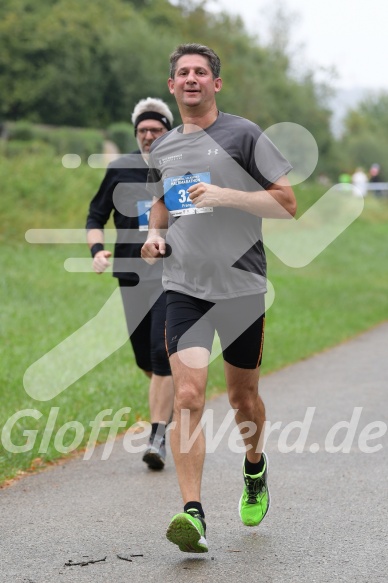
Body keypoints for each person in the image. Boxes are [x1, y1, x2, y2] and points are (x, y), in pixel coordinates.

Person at [141, 44, 296, 552]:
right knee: (187, 395)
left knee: (241, 398)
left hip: (242, 287)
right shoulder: (162, 148)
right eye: (183, 73)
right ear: (172, 85)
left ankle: (255, 467)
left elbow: (286, 204)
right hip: (183, 285)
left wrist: (227, 196)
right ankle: (194, 514)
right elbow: (163, 206)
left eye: (200, 72)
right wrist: (155, 235)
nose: (191, 79)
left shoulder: (245, 134)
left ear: (215, 84)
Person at [86, 97, 175, 471]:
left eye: (156, 130)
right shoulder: (120, 168)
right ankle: (168, 402)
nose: (149, 136)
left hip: (172, 275)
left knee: (160, 353)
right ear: (136, 133)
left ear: (167, 131)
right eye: (143, 131)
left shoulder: (181, 168)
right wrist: (97, 249)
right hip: (130, 273)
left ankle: (158, 436)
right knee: (145, 359)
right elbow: (95, 215)